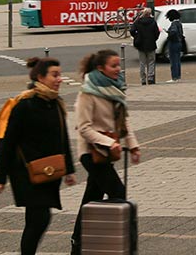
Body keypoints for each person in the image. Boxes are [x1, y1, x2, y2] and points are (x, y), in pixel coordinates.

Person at [0, 57, 77, 255]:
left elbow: (63, 139)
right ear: (40, 77)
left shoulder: (55, 103)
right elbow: (8, 142)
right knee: (40, 218)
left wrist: (69, 170)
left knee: (36, 219)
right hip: (25, 171)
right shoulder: (24, 104)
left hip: (48, 170)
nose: (60, 79)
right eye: (55, 75)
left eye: (60, 75)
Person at [70, 49, 140, 255]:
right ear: (100, 68)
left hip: (107, 152)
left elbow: (123, 122)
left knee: (91, 199)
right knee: (118, 192)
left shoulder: (114, 89)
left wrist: (133, 145)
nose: (118, 69)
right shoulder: (87, 93)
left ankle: (79, 242)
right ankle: (111, 242)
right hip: (91, 153)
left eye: (119, 65)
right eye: (113, 65)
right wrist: (108, 142)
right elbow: (83, 127)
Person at [129, 7, 159, 85]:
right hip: (151, 44)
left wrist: (136, 36)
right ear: (150, 14)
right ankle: (150, 78)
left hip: (141, 44)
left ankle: (143, 79)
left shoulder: (138, 21)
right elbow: (157, 33)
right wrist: (153, 39)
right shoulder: (153, 22)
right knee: (151, 62)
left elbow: (132, 30)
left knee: (142, 63)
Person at [164, 9, 184, 82]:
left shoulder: (174, 24)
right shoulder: (179, 23)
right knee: (177, 60)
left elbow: (173, 32)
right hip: (179, 43)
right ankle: (178, 76)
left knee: (173, 61)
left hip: (173, 43)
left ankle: (174, 77)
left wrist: (168, 34)